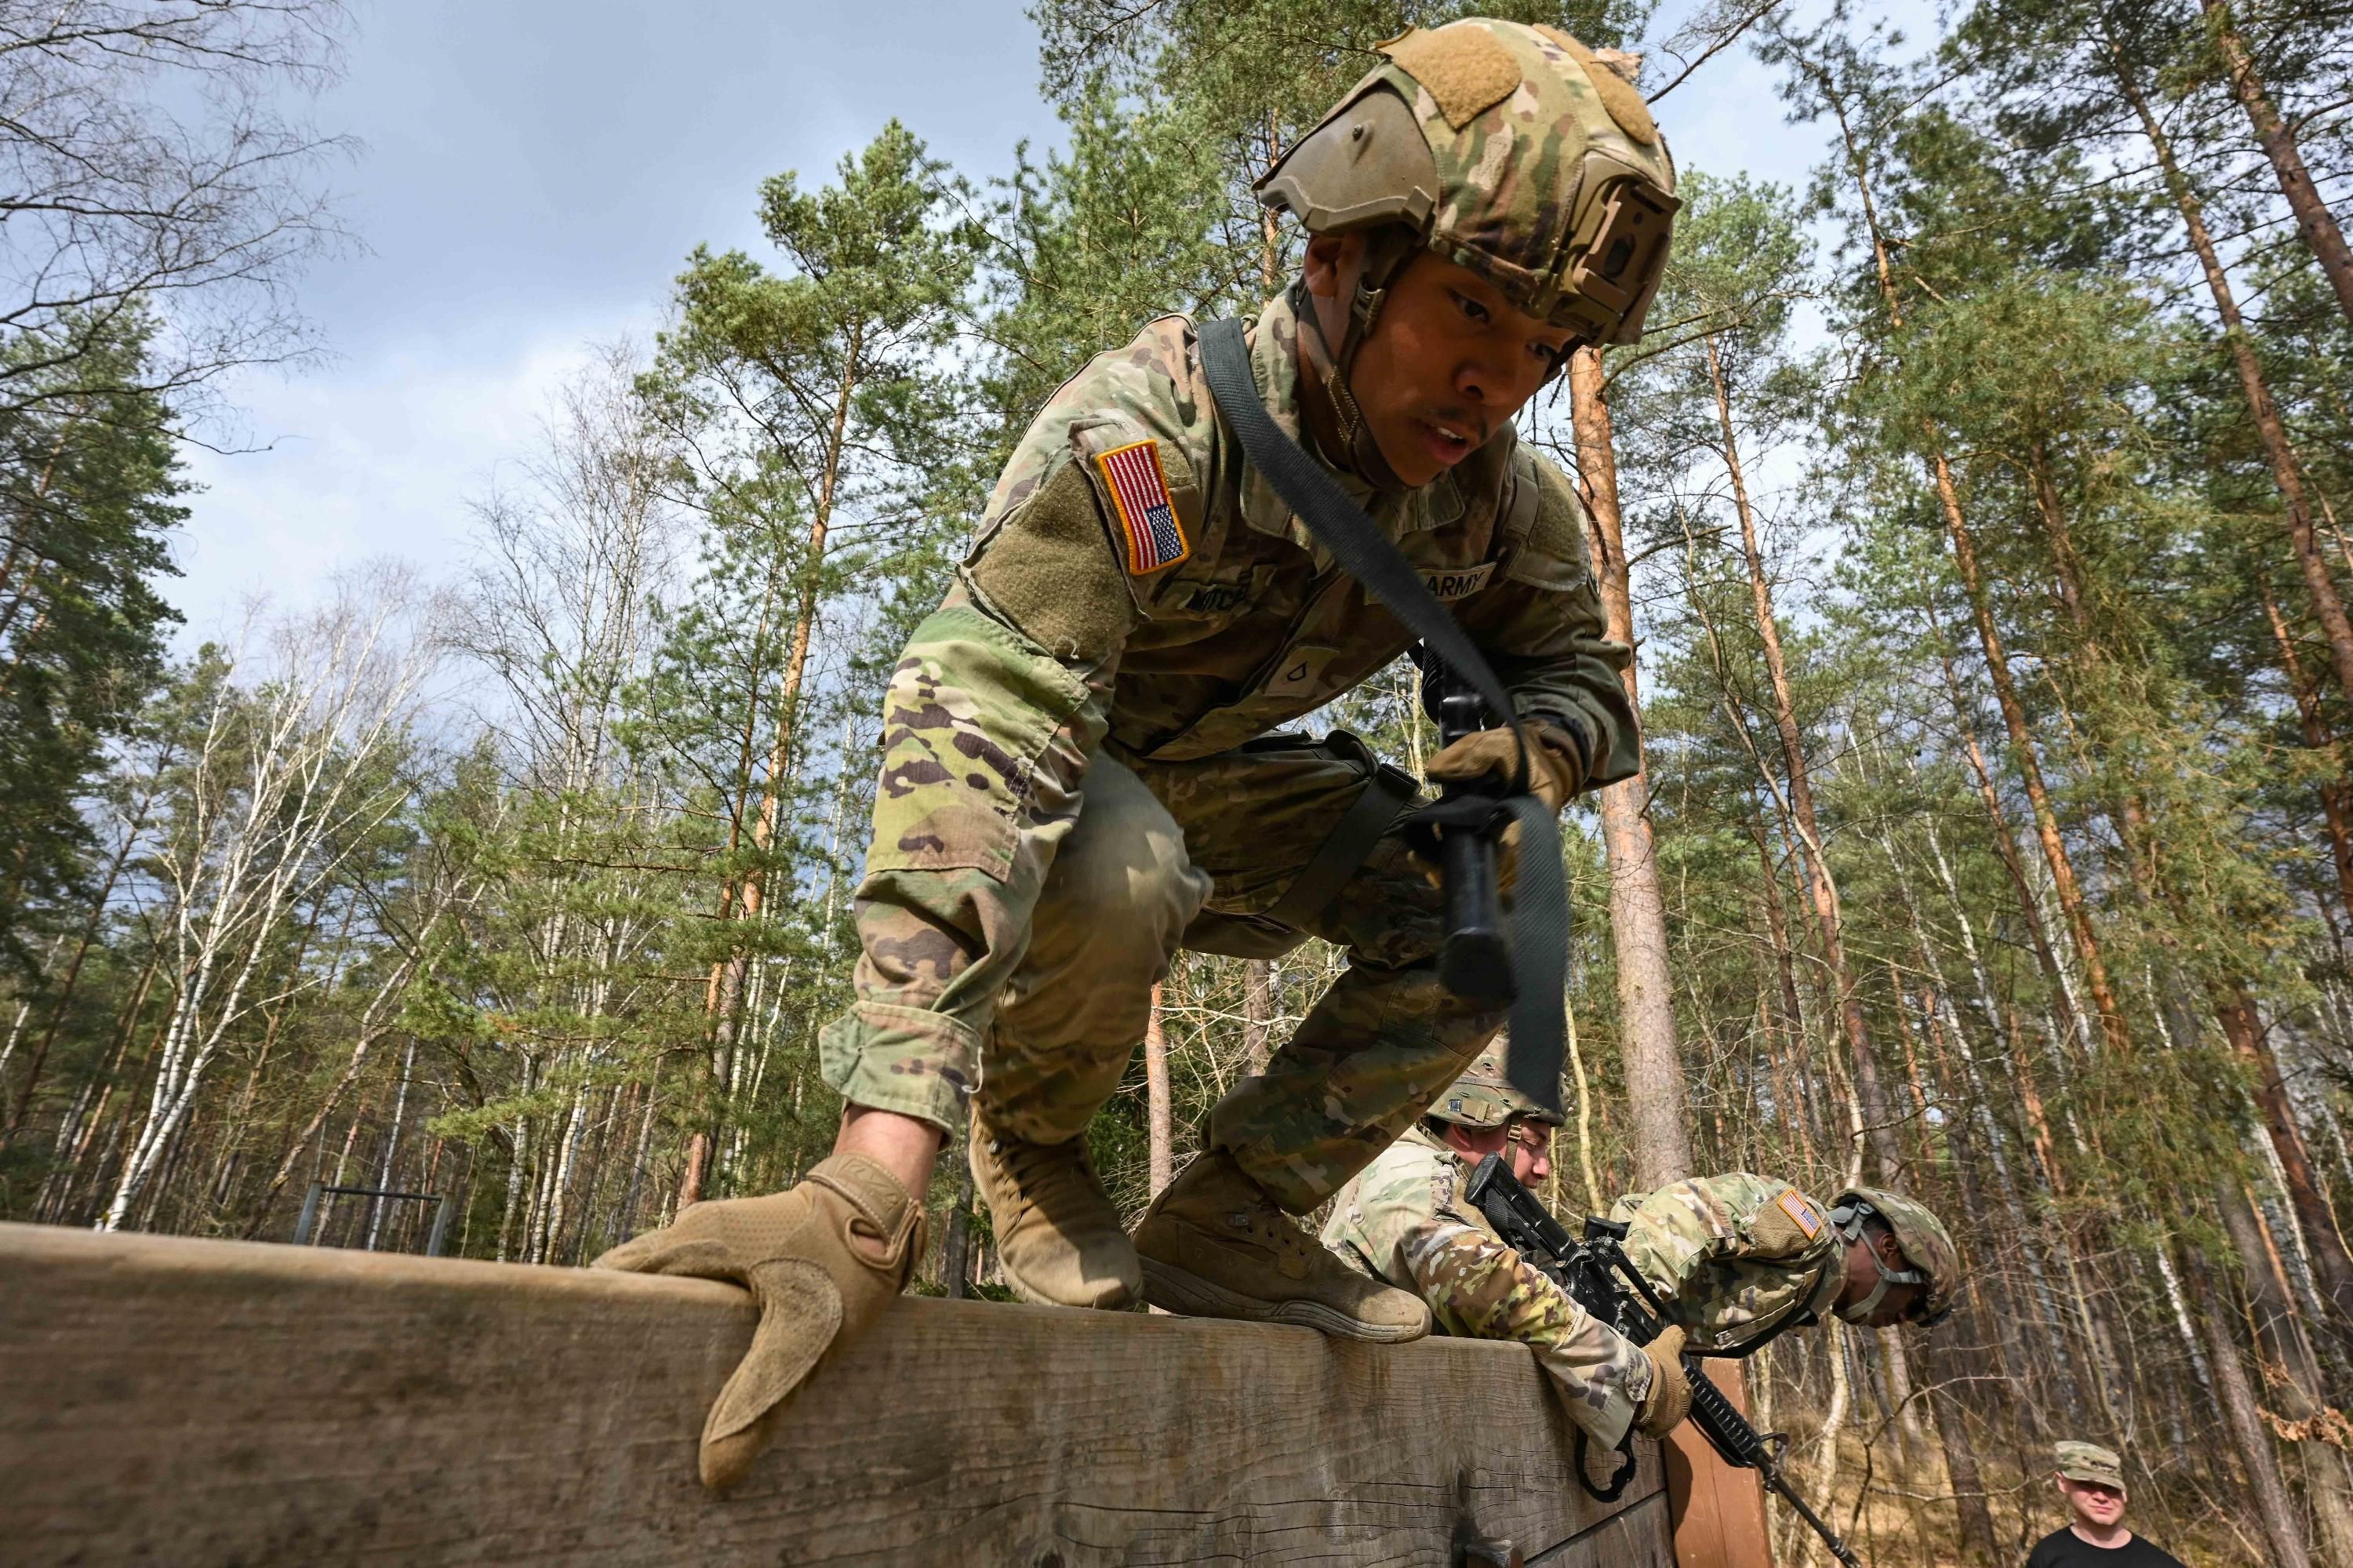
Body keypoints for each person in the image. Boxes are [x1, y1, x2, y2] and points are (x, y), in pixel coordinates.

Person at [597, 16, 1680, 1490]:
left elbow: (1592, 686)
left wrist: (1530, 751)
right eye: (1469, 313)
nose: (1499, 382)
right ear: (1340, 263)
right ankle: (1032, 1149)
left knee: (1494, 897)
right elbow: (986, 716)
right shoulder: (1150, 433)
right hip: (1069, 777)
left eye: (1541, 349)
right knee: (1121, 858)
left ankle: (1232, 1212)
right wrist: (875, 1170)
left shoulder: (1499, 503)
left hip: (1230, 783)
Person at [1322, 1048, 1962, 1478]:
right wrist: (1629, 1359)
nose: (1544, 1169)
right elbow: (1483, 1282)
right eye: (1534, 1144)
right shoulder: (1407, 1176)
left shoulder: (1445, 1190)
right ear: (1466, 1127)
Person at [2026, 1442, 2186, 1568]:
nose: (2101, 1497)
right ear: (2063, 1483)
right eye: (2087, 1486)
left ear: (2124, 1493)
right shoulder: (2048, 1555)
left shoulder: (2160, 1563)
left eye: (2110, 1489)